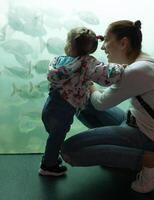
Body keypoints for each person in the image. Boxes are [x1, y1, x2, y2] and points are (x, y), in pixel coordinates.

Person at [60, 20, 154, 193]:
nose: (103, 47)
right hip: (137, 124)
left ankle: (153, 161)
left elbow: (100, 103)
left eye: (106, 40)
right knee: (83, 104)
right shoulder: (147, 62)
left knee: (69, 150)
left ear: (123, 43)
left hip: (149, 138)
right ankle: (126, 159)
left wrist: (86, 80)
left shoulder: (137, 70)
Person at [39, 27, 125, 176]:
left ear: (69, 45)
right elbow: (105, 76)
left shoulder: (57, 60)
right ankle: (48, 166)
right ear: (91, 49)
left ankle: (49, 157)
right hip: (64, 111)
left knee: (53, 137)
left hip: (50, 107)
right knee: (57, 138)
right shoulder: (87, 63)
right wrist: (121, 68)